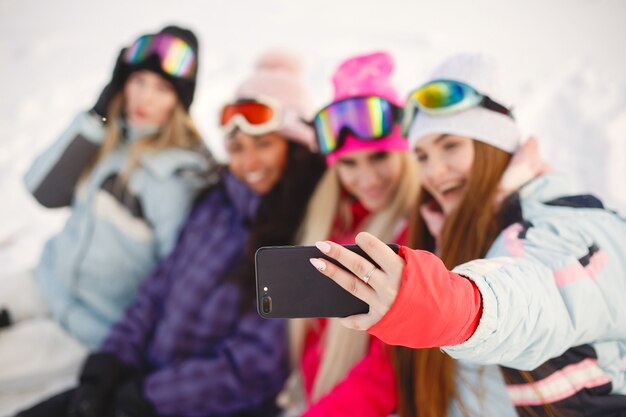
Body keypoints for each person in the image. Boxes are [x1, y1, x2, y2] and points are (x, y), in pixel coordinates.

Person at [309, 54, 626, 416]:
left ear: (495, 145)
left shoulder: (571, 225)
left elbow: (539, 294)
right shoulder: (448, 234)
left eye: (451, 146)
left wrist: (448, 305)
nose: (435, 171)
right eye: (423, 156)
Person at [16, 49, 326, 417]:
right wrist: (111, 362)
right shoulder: (217, 203)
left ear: (294, 148)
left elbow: (254, 367)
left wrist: (146, 399)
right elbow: (159, 288)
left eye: (264, 144)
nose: (249, 163)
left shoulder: (303, 234)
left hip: (198, 405)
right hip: (143, 379)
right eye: (237, 147)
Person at [0, 25, 216, 415]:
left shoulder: (180, 180)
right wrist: (96, 117)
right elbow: (43, 191)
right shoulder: (108, 137)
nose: (144, 97)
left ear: (179, 102)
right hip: (42, 282)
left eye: (162, 89)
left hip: (83, 330)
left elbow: (174, 284)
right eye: (138, 81)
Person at [281, 51, 419, 417]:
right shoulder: (333, 221)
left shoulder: (418, 232)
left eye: (379, 157)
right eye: (349, 164)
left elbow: (385, 370)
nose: (367, 179)